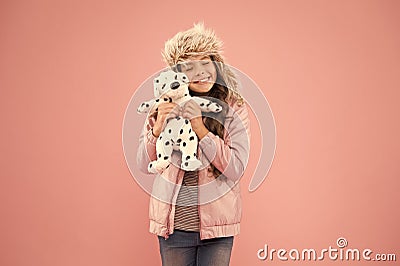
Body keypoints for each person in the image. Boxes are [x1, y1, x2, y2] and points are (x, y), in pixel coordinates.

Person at [137, 23, 250, 266]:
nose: (200, 71)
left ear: (216, 65)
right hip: (174, 227)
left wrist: (199, 127)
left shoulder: (232, 107)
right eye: (189, 65)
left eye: (205, 61)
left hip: (217, 228)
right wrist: (157, 128)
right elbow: (143, 162)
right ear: (177, 73)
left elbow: (236, 168)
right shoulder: (162, 104)